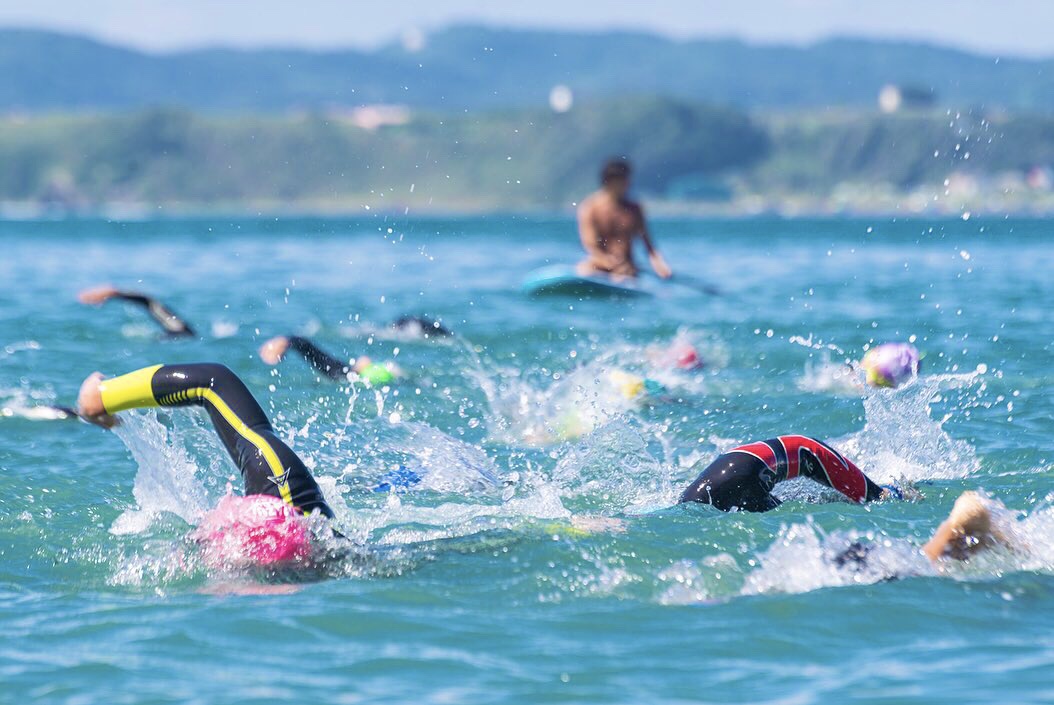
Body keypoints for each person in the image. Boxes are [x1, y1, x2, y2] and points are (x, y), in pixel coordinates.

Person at [77, 362, 337, 566]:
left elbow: (212, 381)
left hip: (286, 513)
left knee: (215, 382)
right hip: (292, 552)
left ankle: (101, 397)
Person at [679, 435, 897, 512]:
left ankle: (878, 495)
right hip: (744, 469)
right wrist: (876, 493)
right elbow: (807, 448)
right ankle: (883, 495)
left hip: (733, 480)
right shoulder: (803, 449)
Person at [576, 158, 672, 280]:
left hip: (627, 268)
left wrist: (660, 266)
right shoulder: (590, 208)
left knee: (622, 276)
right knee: (584, 270)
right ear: (609, 181)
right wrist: (608, 262)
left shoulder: (634, 209)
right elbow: (590, 245)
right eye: (623, 180)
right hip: (599, 264)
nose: (628, 183)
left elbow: (649, 246)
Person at [258, 335, 400, 386]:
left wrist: (290, 341)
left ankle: (288, 341)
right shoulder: (357, 375)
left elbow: (324, 363)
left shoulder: (352, 375)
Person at [78, 284, 195, 337]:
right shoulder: (181, 331)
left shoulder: (180, 331)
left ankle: (113, 291)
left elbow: (148, 302)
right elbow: (149, 302)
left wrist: (115, 293)